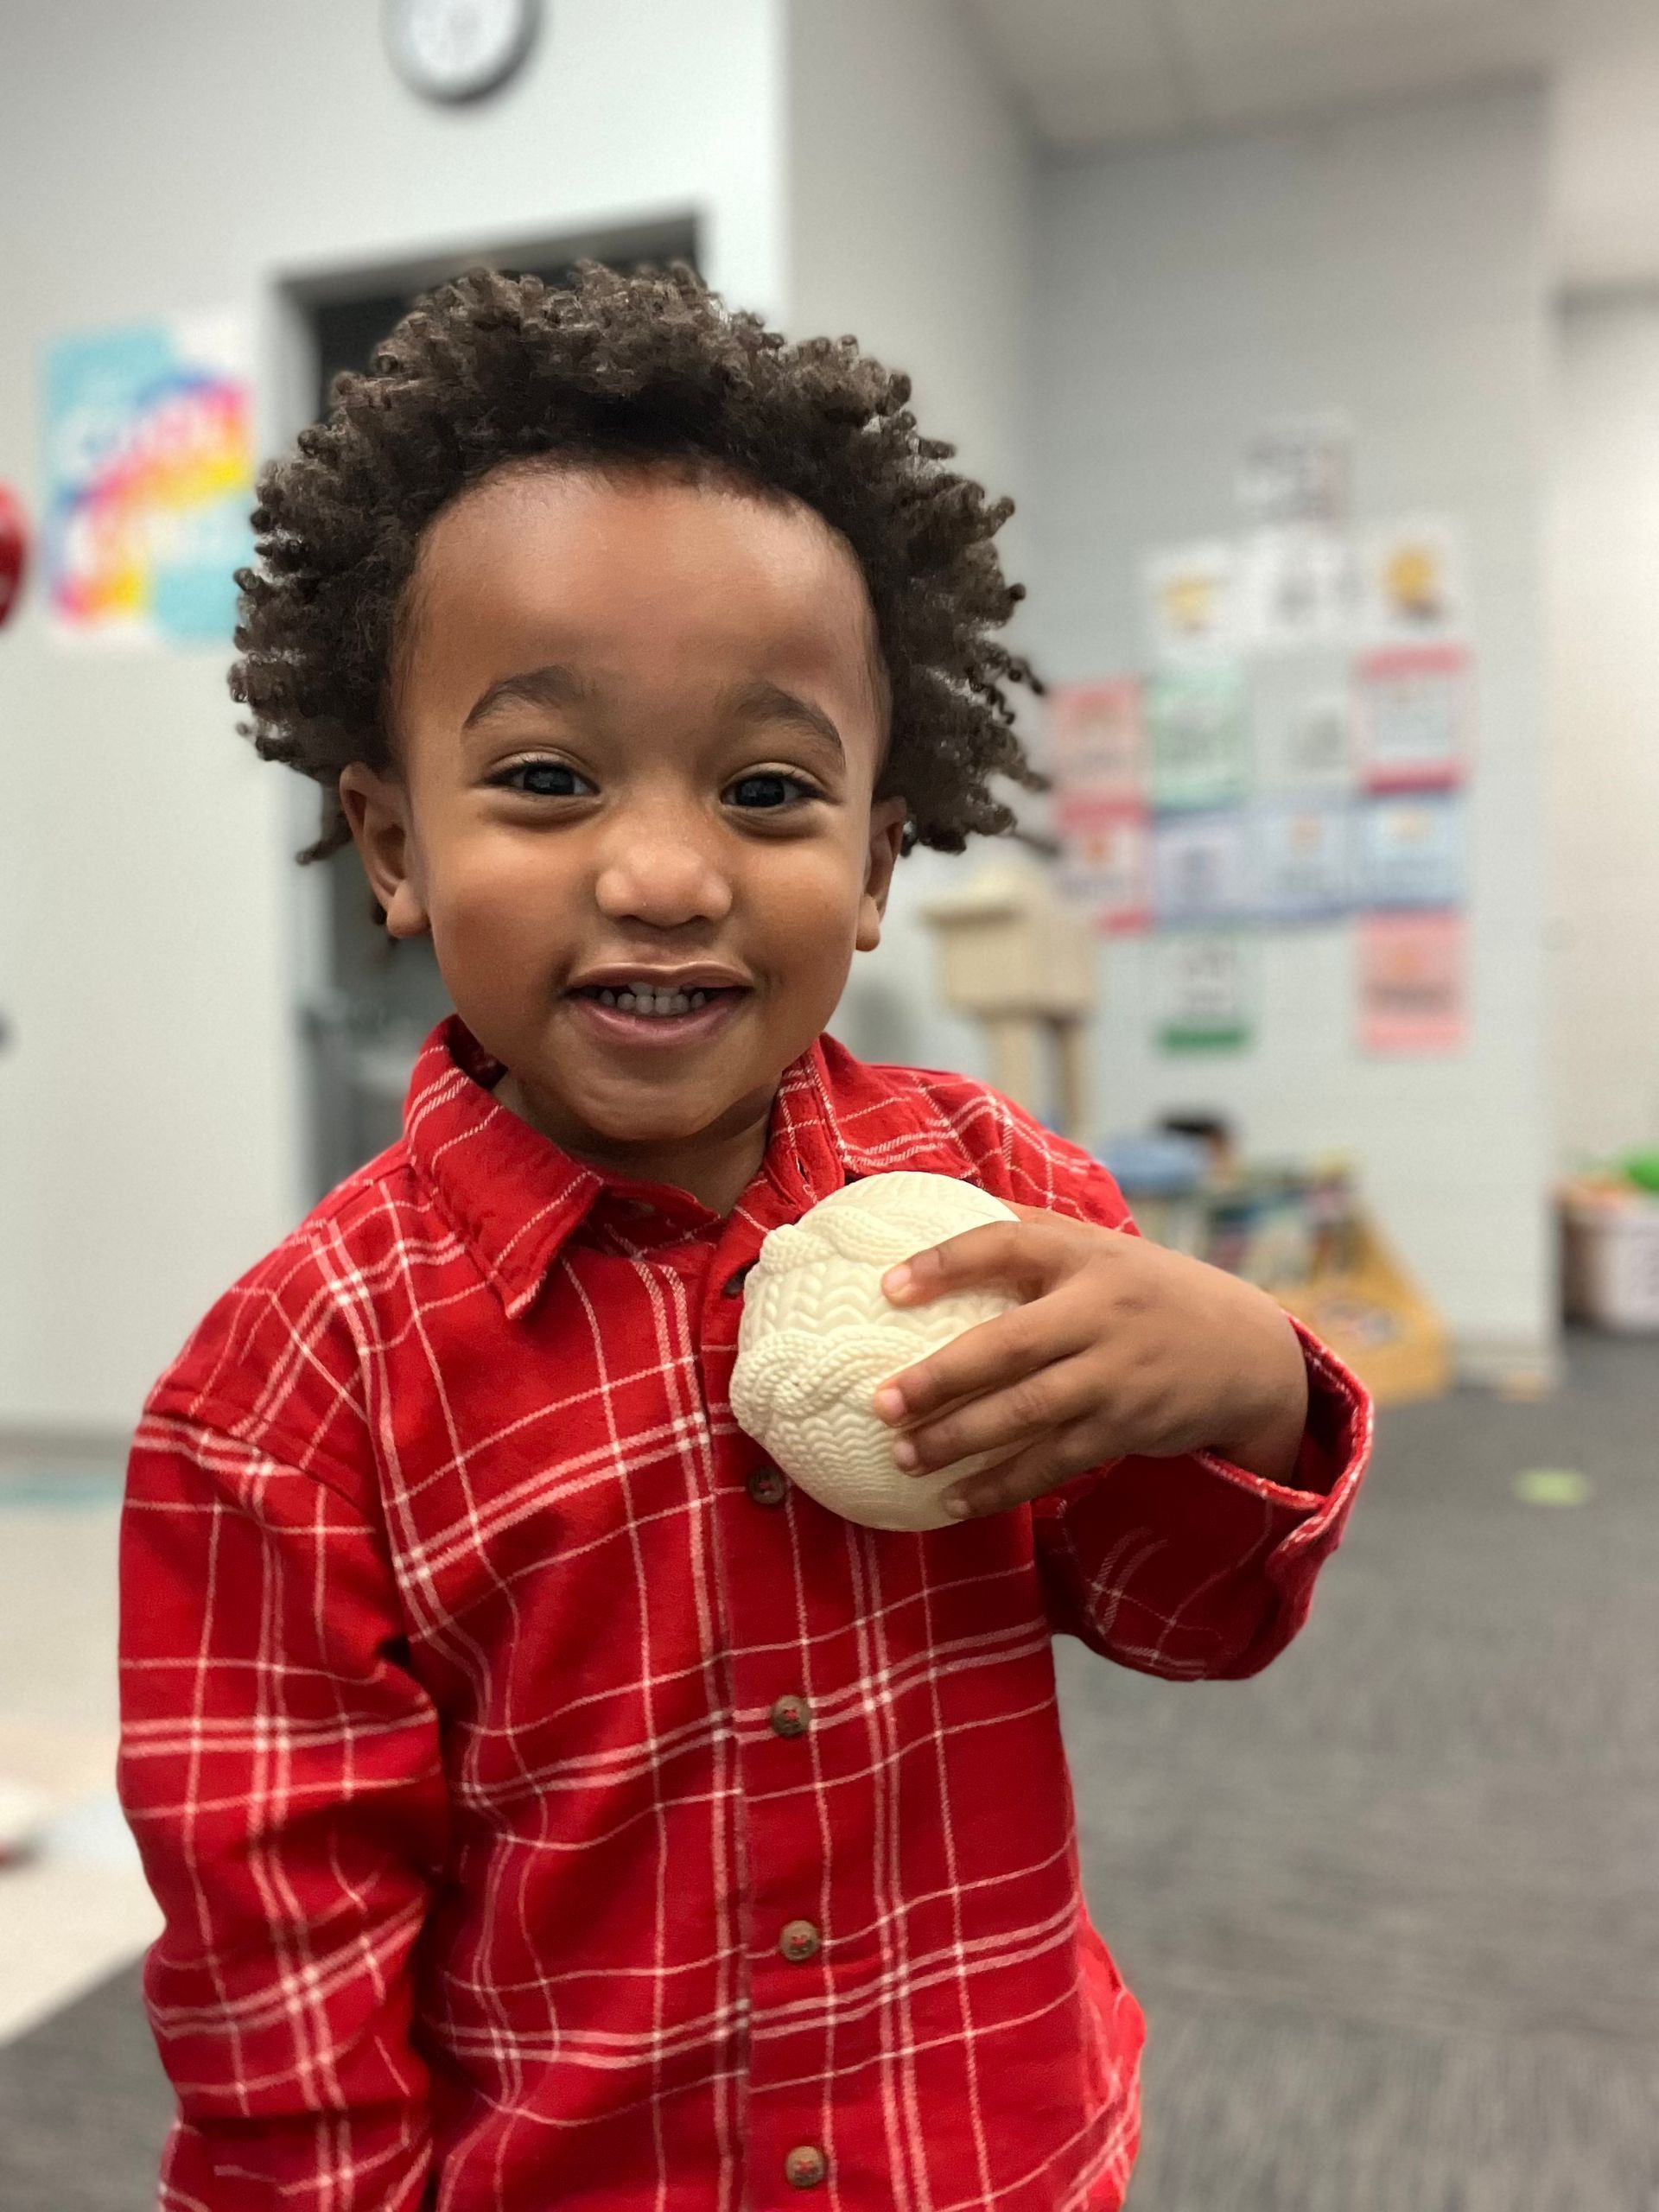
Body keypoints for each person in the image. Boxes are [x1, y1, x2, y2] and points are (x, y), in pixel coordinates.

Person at [118, 264, 1371, 2211]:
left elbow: (1179, 1609)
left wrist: (1251, 1387)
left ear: (874, 864)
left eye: (769, 790)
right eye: (546, 778)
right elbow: (276, 1946)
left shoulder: (1004, 1200)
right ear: (390, 842)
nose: (667, 870)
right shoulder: (290, 1389)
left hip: (992, 2150)